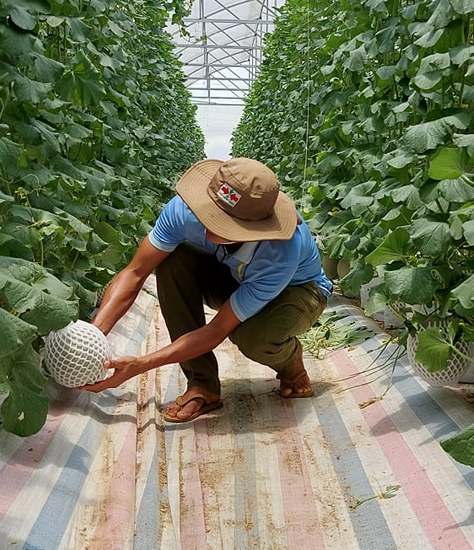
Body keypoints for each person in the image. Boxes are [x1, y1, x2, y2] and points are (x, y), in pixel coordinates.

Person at [80, 158, 334, 423]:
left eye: (226, 224)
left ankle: (290, 363)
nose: (210, 226)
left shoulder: (280, 252)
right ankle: (203, 384)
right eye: (211, 214)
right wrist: (92, 337)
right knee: (174, 259)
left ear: (255, 227)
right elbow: (135, 273)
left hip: (299, 291)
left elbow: (217, 330)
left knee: (253, 337)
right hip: (234, 275)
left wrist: (141, 365)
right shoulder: (184, 210)